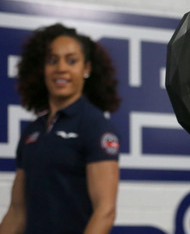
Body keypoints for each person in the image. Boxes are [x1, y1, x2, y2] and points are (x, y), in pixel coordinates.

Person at [0, 23, 122, 234]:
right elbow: (17, 211)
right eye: (52, 60)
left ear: (86, 69)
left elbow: (105, 211)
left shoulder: (95, 126)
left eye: (71, 60)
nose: (61, 68)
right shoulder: (32, 132)